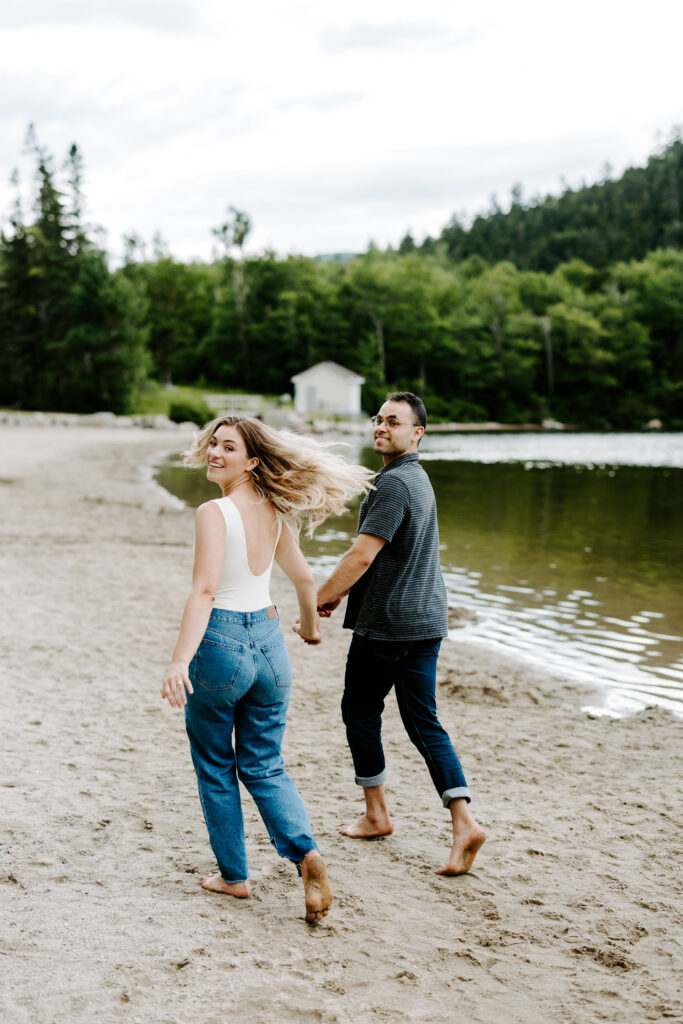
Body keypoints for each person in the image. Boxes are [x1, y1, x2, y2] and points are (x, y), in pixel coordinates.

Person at [161, 415, 373, 922]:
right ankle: (305, 853)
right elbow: (303, 580)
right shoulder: (275, 511)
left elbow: (206, 592)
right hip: (270, 646)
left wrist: (179, 660)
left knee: (216, 764)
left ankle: (234, 878)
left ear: (252, 460)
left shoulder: (214, 511)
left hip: (221, 644)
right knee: (264, 763)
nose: (215, 453)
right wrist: (310, 628)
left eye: (228, 447)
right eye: (213, 444)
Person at [316, 392, 485, 876]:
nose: (381, 427)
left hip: (390, 623)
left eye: (394, 421)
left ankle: (376, 814)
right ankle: (463, 822)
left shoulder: (392, 485)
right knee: (423, 722)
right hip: (427, 619)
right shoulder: (417, 478)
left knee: (359, 710)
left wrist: (322, 598)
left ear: (417, 434)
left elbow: (361, 555)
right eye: (378, 419)